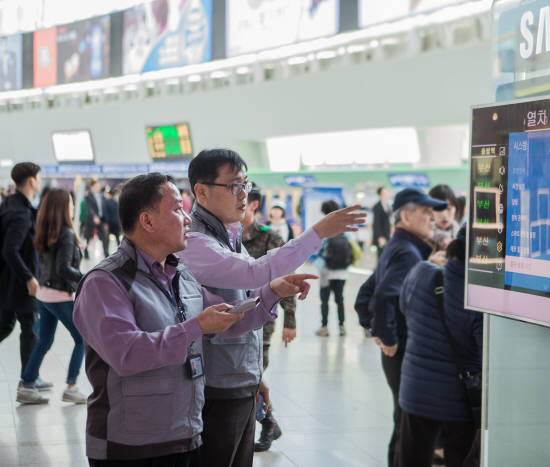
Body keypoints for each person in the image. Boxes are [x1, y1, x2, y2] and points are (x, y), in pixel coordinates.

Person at [73, 172, 312, 466]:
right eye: (177, 209)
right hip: (129, 446)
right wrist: (194, 328)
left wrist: (271, 292)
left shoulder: (181, 276)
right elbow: (126, 354)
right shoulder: (106, 282)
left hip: (185, 435)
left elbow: (229, 318)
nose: (187, 219)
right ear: (147, 221)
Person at [177, 148, 365, 467]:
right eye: (234, 186)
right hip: (214, 388)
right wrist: (317, 233)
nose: (243, 195)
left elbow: (238, 305)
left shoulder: (228, 235)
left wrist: (253, 373)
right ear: (202, 191)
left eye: (246, 185)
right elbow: (254, 272)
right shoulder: (196, 241)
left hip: (238, 379)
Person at [355, 187, 447, 467]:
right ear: (405, 216)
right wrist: (389, 338)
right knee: (408, 428)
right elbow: (382, 296)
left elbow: (364, 295)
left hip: (397, 351)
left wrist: (374, 329)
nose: (433, 218)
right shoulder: (408, 253)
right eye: (426, 212)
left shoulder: (399, 246)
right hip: (404, 350)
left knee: (403, 422)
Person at [395, 227, 481, 467]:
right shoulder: (477, 297)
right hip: (459, 400)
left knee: (411, 458)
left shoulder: (421, 272)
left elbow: (404, 307)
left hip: (415, 391)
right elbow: (486, 353)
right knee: (459, 457)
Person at [16, 188, 87, 405]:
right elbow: (64, 268)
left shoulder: (44, 231)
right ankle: (72, 386)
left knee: (44, 340)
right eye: (71, 204)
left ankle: (27, 384)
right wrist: (86, 278)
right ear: (64, 208)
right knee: (82, 339)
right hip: (59, 295)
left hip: (43, 295)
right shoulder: (65, 233)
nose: (73, 208)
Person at [241, 185, 296, 452]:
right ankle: (267, 422)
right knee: (244, 375)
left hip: (263, 317)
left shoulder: (268, 237)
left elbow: (286, 279)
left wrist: (290, 322)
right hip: (230, 316)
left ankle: (266, 422)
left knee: (253, 373)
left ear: (252, 205)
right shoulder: (224, 237)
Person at [0, 162, 47, 387]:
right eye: (38, 178)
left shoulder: (11, 204)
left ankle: (30, 378)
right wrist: (29, 277)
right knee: (29, 327)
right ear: (31, 181)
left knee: (10, 324)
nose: (39, 182)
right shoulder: (21, 214)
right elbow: (10, 249)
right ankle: (29, 381)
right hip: (19, 282)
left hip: (8, 280)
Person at [315, 199, 353, 338]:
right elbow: (352, 247)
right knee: (340, 299)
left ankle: (324, 327)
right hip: (342, 272)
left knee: (325, 300)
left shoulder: (324, 227)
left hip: (326, 271)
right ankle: (342, 327)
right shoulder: (344, 227)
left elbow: (318, 248)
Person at [428, 184, 460, 250]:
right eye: (439, 209)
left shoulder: (461, 235)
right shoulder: (424, 238)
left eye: (449, 208)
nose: (444, 215)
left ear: (455, 209)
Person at [85, 179, 109, 259]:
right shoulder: (88, 196)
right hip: (92, 220)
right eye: (96, 186)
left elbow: (103, 209)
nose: (98, 187)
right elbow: (89, 208)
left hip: (101, 219)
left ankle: (106, 253)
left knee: (105, 236)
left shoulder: (101, 196)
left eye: (98, 186)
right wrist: (94, 216)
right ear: (92, 187)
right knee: (88, 237)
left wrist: (105, 222)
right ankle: (86, 251)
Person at [372, 187, 392, 260]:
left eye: (387, 192)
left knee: (387, 256)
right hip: (381, 236)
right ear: (380, 195)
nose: (387, 194)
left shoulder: (388, 205)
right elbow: (376, 223)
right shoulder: (377, 207)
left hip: (388, 235)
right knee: (381, 256)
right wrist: (380, 237)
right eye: (384, 193)